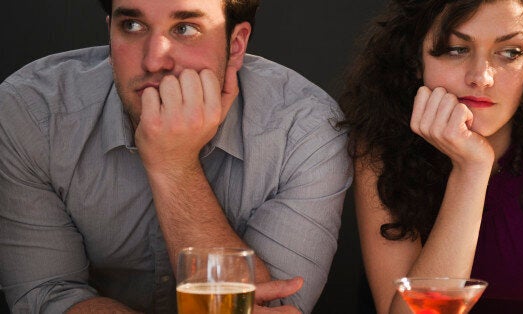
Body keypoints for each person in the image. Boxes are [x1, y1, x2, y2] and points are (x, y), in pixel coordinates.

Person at [0, 0, 352, 312]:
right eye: (132, 25)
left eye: (185, 28)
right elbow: (47, 293)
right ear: (110, 31)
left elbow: (275, 306)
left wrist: (174, 165)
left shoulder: (304, 130)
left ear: (236, 43)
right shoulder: (32, 114)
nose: (154, 59)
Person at [339, 0, 523, 313]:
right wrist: (470, 171)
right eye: (455, 48)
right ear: (414, 57)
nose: (481, 77)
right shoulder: (381, 148)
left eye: (510, 52)